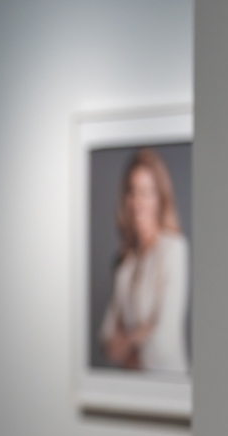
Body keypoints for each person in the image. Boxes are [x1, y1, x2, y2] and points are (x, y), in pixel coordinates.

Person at [99, 148, 189, 373]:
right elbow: (107, 336)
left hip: (167, 383)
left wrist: (127, 342)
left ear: (160, 198)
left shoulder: (174, 249)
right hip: (132, 386)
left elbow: (164, 334)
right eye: (133, 191)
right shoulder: (126, 261)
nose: (138, 201)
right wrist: (141, 332)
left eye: (147, 192)